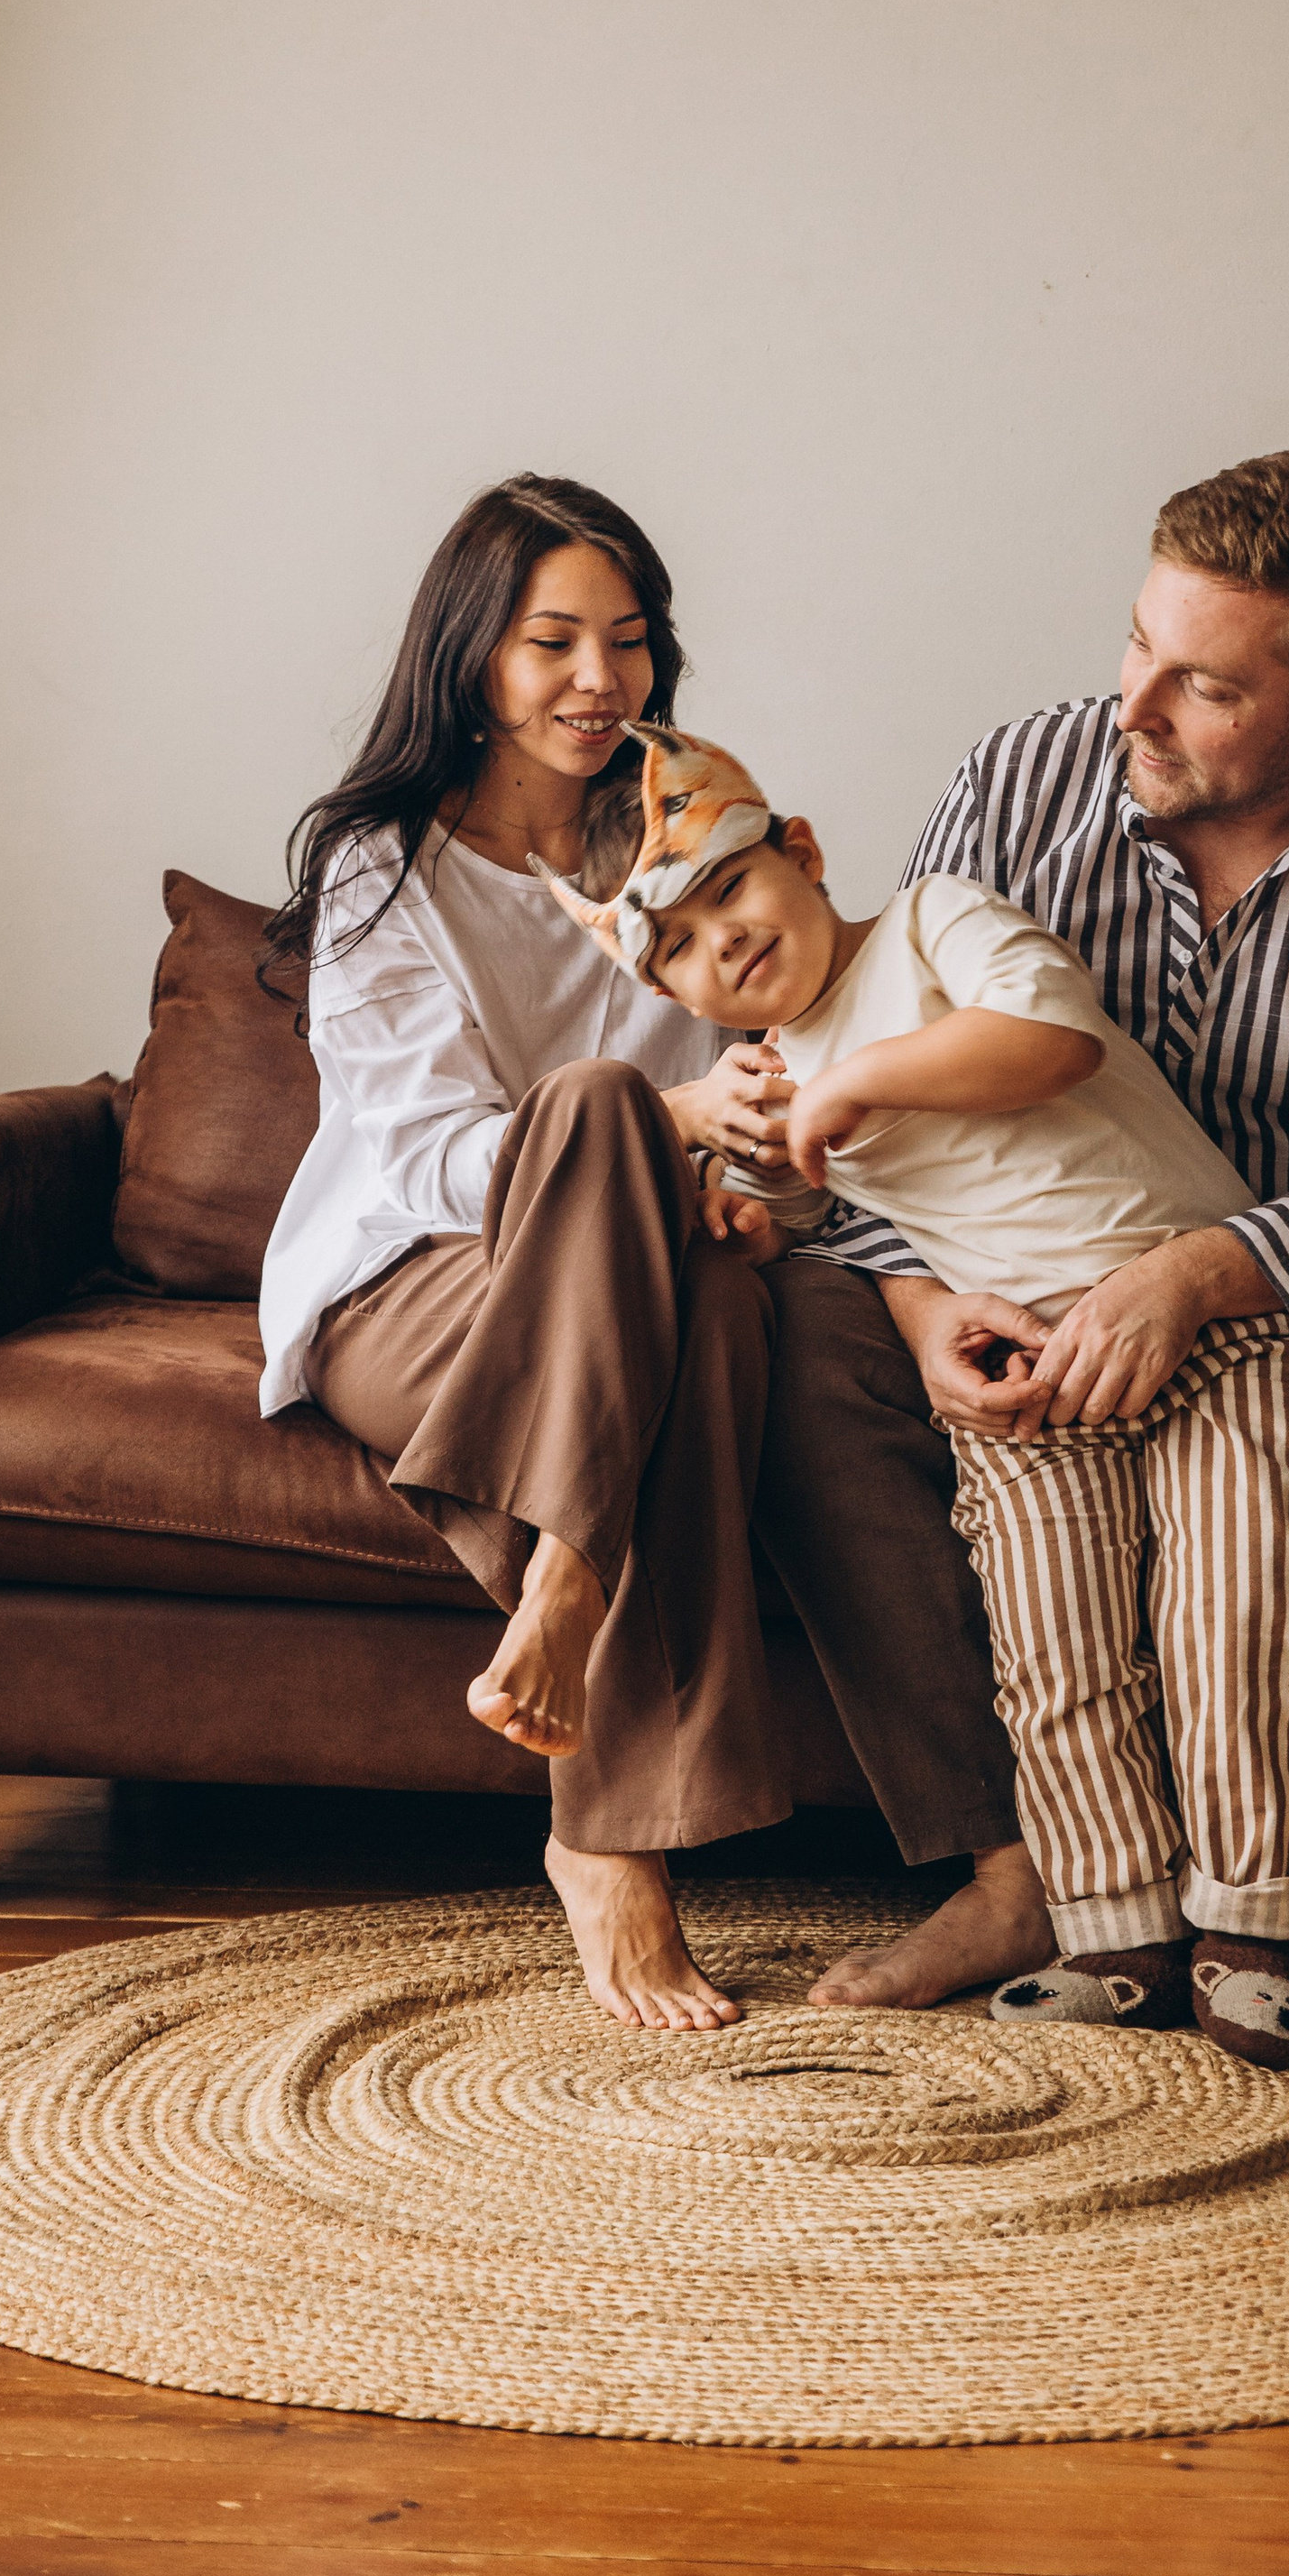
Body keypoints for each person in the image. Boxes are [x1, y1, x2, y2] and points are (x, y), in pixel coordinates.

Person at [752, 452, 1289, 2045]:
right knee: (797, 1312)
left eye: (1200, 684)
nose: (1133, 704)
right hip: (1013, 1275)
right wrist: (929, 1309)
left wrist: (1208, 1271)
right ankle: (1013, 1871)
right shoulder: (1019, 778)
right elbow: (866, 1055)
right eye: (1136, 643)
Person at [254, 472, 1046, 2032]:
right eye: (553, 641)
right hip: (408, 1284)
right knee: (609, 1109)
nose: (597, 680)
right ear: (472, 655)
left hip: (649, 1291)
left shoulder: (682, 848)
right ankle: (608, 1827)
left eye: (626, 641)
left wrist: (755, 1176)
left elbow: (795, 1131)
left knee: (736, 1294)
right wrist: (657, 1131)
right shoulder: (383, 866)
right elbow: (424, 1159)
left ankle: (574, 1579)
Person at [539, 726, 1289, 2070]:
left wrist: (849, 1082)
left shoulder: (933, 923)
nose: (720, 948)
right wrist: (747, 1210)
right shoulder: (778, 1075)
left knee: (1235, 1597)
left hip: (1201, 1320)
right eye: (673, 947)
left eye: (729, 891)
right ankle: (1113, 1925)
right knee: (1054, 1644)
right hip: (1026, 1373)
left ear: (801, 852)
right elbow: (804, 1213)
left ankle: (1256, 1927)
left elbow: (1049, 1042)